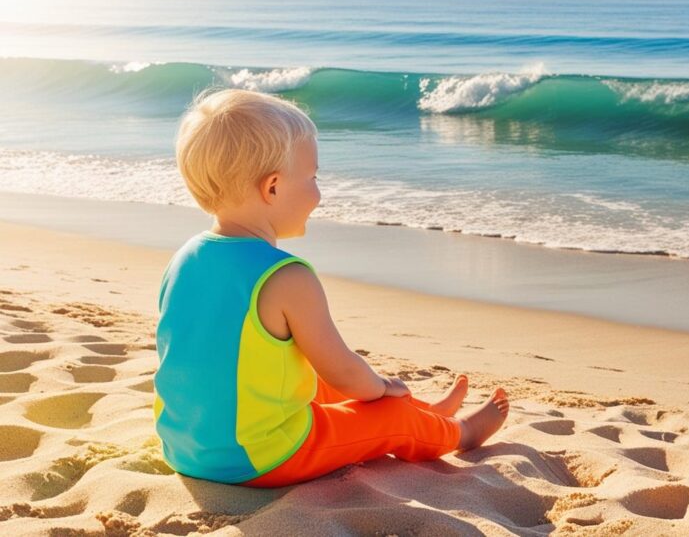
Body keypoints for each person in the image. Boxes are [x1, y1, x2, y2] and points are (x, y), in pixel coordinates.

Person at [154, 87, 508, 488]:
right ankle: (461, 433)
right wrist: (381, 386)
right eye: (313, 178)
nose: (319, 193)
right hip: (260, 457)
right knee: (384, 410)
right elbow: (342, 370)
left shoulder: (183, 257)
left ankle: (428, 412)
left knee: (304, 377)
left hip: (185, 447)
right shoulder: (286, 276)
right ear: (272, 188)